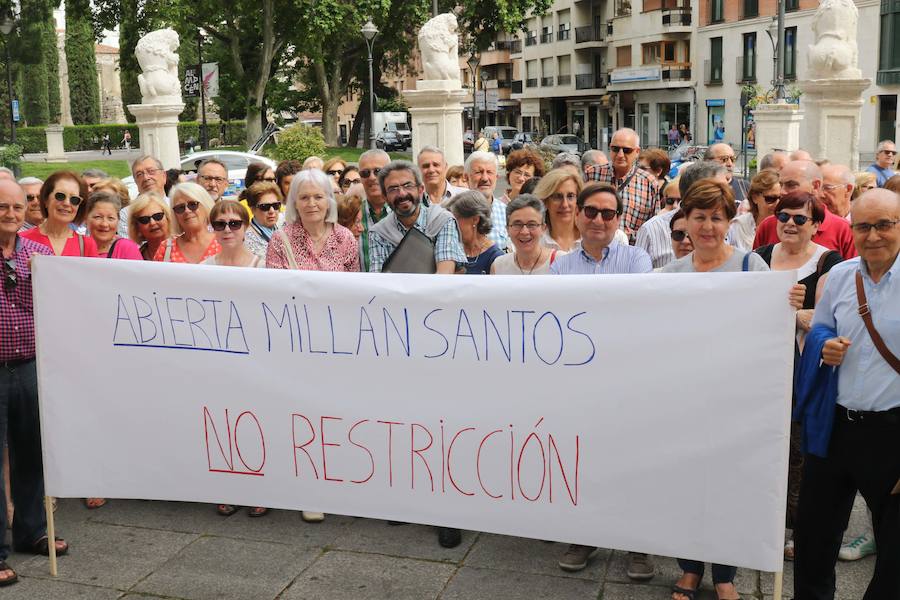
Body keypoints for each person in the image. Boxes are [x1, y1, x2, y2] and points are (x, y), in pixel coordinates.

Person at [663, 178, 805, 600]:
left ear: (729, 221)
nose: (707, 226)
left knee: (727, 487)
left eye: (716, 218)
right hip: (684, 400)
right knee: (686, 485)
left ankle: (724, 574)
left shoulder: (750, 268)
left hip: (734, 402)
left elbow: (770, 329)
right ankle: (688, 569)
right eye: (699, 217)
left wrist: (789, 303)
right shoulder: (668, 276)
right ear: (685, 220)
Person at [793, 188, 899, 600]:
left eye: (884, 225)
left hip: (891, 433)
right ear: (850, 229)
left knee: (893, 552)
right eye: (863, 226)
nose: (873, 235)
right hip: (834, 427)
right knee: (813, 539)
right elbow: (818, 327)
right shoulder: (840, 275)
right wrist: (824, 346)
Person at [551, 183, 654, 582]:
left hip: (628, 379)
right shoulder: (561, 267)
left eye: (607, 214)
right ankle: (584, 536)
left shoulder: (637, 258)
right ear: (577, 215)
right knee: (583, 461)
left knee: (631, 461)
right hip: (581, 382)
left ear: (619, 219)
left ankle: (637, 545)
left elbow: (638, 311)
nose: (597, 220)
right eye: (590, 211)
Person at [753, 191, 843, 560]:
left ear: (817, 225)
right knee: (762, 446)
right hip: (761, 367)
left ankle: (793, 529)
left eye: (800, 219)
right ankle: (760, 518)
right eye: (784, 216)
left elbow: (829, 317)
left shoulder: (830, 263)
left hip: (804, 372)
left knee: (799, 452)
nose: (790, 223)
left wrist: (802, 316)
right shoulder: (758, 258)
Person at [0, 180, 69, 588]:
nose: (11, 214)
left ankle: (30, 530)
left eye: (17, 206)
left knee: (32, 452)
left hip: (30, 366)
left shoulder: (41, 255)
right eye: (2, 207)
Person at [367, 160, 465, 274]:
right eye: (393, 189)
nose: (402, 194)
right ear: (385, 197)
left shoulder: (441, 220)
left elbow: (445, 274)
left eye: (408, 186)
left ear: (420, 190)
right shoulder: (379, 233)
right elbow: (378, 280)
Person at [754, 161, 856, 259]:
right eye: (781, 185)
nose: (782, 192)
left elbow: (853, 273)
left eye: (791, 185)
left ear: (815, 186)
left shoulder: (843, 230)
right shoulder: (768, 226)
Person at [265, 168, 358, 274]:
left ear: (328, 201)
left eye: (318, 197)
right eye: (304, 197)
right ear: (295, 203)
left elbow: (352, 286)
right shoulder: (279, 241)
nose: (311, 204)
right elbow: (275, 286)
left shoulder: (345, 239)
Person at [588, 128, 659, 242]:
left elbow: (653, 228)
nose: (620, 155)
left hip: (631, 254)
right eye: (615, 149)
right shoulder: (592, 175)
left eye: (626, 150)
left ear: (637, 152)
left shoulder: (649, 183)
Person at [21, 172, 98, 257]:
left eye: (74, 199)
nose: (67, 203)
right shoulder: (22, 240)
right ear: (46, 200)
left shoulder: (87, 244)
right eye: (60, 196)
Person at [154, 183, 220, 263]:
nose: (187, 211)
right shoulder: (166, 249)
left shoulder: (224, 241)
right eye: (180, 208)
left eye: (193, 204)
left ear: (205, 205)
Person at [491, 194, 557, 274]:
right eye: (517, 225)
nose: (524, 232)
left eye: (531, 224)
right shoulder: (499, 266)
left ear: (543, 228)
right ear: (507, 229)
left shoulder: (560, 261)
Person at [446, 191, 504, 274]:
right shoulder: (452, 252)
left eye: (455, 220)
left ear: (475, 219)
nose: (450, 226)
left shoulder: (496, 258)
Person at [465, 151, 511, 250]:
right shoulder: (455, 213)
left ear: (496, 177)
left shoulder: (507, 212)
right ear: (466, 177)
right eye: (478, 172)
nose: (485, 178)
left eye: (489, 172)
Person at [635, 177, 683, 269]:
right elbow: (638, 270)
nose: (675, 206)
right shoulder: (649, 227)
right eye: (670, 201)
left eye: (680, 201)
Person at [728, 169, 781, 251]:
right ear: (755, 197)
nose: (777, 204)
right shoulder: (738, 226)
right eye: (770, 199)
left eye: (781, 198)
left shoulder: (786, 227)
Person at [204, 200, 265, 269]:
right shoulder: (204, 268)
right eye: (220, 224)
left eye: (234, 224)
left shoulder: (263, 267)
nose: (227, 230)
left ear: (246, 226)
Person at [358, 149, 392, 272]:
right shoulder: (352, 215)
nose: (372, 177)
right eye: (365, 173)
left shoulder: (404, 214)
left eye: (378, 171)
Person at [533, 169, 584, 252]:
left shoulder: (591, 238)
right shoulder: (536, 242)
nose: (565, 204)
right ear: (545, 201)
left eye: (570, 196)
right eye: (557, 197)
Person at [85, 190, 143, 261]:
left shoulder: (127, 248)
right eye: (98, 217)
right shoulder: (77, 245)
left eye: (111, 218)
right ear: (86, 219)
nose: (104, 224)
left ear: (118, 221)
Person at [242, 182, 283, 261]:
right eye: (265, 207)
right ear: (252, 209)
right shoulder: (244, 237)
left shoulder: (284, 229)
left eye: (275, 205)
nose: (272, 211)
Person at [128, 192, 173, 261]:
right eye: (144, 219)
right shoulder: (134, 258)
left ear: (167, 217)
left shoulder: (184, 248)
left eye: (158, 216)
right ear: (136, 226)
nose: (152, 223)